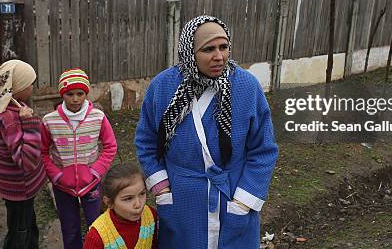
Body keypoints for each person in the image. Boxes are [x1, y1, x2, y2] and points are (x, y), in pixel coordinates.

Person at [135, 15, 279, 249]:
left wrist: (243, 202)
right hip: (182, 199)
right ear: (190, 52)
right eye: (208, 49)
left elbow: (264, 149)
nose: (219, 56)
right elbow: (146, 142)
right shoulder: (163, 87)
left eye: (224, 47)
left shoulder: (246, 87)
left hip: (232, 195)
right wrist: (162, 189)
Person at [41, 68, 118, 249]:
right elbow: (42, 152)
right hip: (62, 187)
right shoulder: (50, 121)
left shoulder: (98, 117)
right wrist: (56, 176)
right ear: (62, 94)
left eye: (80, 93)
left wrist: (95, 172)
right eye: (69, 94)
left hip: (91, 184)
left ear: (86, 93)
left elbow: (110, 146)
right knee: (70, 228)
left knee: (96, 225)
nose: (75, 99)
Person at [0, 59, 45, 249]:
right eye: (30, 83)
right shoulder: (11, 120)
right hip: (20, 188)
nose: (33, 86)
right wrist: (31, 123)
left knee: (26, 223)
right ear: (17, 88)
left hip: (10, 185)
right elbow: (27, 162)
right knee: (20, 232)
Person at [83, 163, 158, 249]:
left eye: (142, 193)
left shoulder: (151, 215)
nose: (138, 204)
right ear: (109, 202)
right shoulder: (97, 236)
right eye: (128, 198)